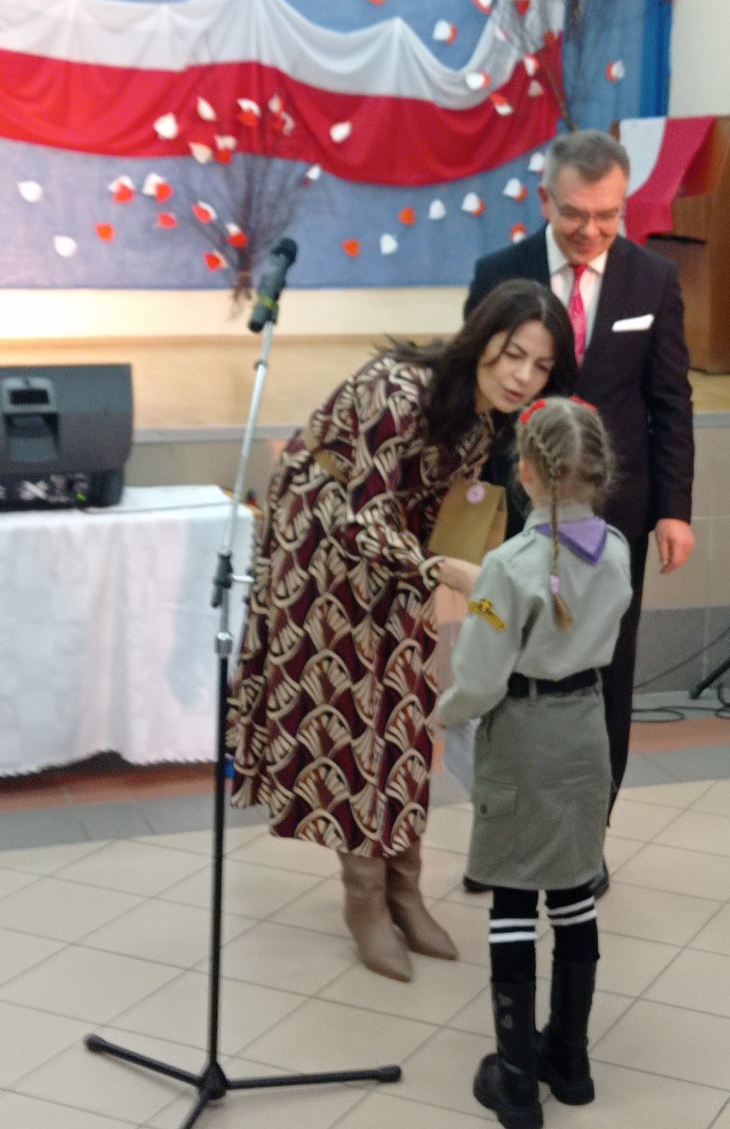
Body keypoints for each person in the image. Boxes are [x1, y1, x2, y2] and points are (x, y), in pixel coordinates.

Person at [227, 280, 577, 983]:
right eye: (513, 354)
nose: (522, 376)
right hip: (321, 545)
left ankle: (404, 888)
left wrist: (482, 578)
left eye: (541, 366)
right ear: (482, 339)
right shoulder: (399, 389)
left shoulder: (485, 420)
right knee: (351, 718)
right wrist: (450, 572)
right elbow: (363, 519)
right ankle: (363, 896)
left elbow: (446, 515)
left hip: (397, 555)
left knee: (404, 711)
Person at [465, 129, 695, 895]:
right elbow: (476, 399)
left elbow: (671, 402)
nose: (590, 230)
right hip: (517, 510)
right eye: (574, 213)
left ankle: (584, 844)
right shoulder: (499, 274)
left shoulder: (653, 280)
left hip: (615, 516)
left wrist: (675, 510)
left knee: (605, 678)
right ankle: (503, 839)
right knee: (505, 674)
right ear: (544, 200)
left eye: (608, 214)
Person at [438, 395, 633, 1129]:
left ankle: (516, 1080)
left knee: (515, 898)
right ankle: (570, 1062)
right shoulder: (617, 550)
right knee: (575, 889)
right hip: (585, 730)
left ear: (525, 472)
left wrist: (445, 712)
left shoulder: (509, 567)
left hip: (522, 734)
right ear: (599, 473)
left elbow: (482, 676)